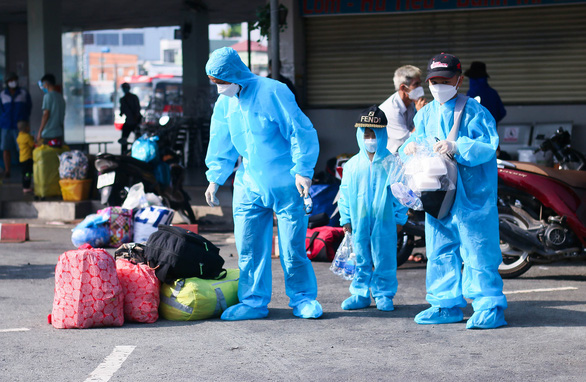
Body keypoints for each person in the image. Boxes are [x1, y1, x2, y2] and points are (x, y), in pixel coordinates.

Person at [204, 47, 322, 321]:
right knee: (249, 247)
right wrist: (214, 178)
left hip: (285, 182)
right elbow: (220, 140)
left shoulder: (273, 92)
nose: (219, 88)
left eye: (221, 82)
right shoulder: (225, 103)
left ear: (235, 74)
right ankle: (253, 301)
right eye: (215, 84)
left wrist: (303, 170)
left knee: (292, 248)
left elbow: (299, 131)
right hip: (248, 183)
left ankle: (303, 298)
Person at [400, 53, 507, 329]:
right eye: (433, 80)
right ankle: (445, 305)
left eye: (444, 80)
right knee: (440, 250)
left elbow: (488, 145)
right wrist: (408, 148)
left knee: (478, 251)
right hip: (439, 197)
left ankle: (489, 306)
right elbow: (412, 145)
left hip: (473, 199)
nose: (438, 85)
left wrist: (459, 147)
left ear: (458, 80)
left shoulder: (474, 111)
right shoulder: (425, 114)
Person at [338, 106, 408, 311]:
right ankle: (360, 294)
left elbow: (401, 195)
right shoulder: (352, 166)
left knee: (385, 258)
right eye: (365, 133)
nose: (369, 138)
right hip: (359, 222)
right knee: (360, 257)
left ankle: (383, 294)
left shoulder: (393, 164)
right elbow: (345, 193)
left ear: (382, 134)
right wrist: (345, 218)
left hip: (385, 222)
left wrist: (399, 219)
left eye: (373, 133)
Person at [379, 65, 427, 153]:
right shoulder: (390, 110)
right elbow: (409, 139)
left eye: (420, 83)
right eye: (416, 84)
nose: (420, 87)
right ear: (403, 88)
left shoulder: (412, 103)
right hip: (393, 157)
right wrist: (421, 114)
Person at [0, 72, 32, 178]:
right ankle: (7, 170)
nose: (12, 82)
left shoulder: (23, 93)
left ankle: (25, 170)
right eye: (10, 80)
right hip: (6, 126)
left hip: (20, 126)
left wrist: (24, 121)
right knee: (6, 148)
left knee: (24, 148)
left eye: (14, 80)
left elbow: (28, 107)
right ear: (7, 82)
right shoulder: (2, 95)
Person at [37, 74, 65, 147]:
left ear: (46, 83)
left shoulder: (47, 96)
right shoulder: (60, 97)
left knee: (49, 156)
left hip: (49, 134)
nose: (43, 86)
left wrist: (40, 132)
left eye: (43, 84)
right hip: (59, 133)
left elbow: (46, 114)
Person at [118, 83, 142, 153]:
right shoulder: (123, 99)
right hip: (130, 122)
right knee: (124, 139)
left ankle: (134, 151)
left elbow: (137, 108)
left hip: (133, 122)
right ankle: (124, 153)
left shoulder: (132, 98)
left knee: (138, 138)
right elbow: (122, 111)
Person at [16, 121, 34, 193]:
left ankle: (25, 186)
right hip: (28, 159)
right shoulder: (27, 136)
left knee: (24, 174)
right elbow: (32, 145)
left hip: (22, 159)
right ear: (26, 128)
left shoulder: (19, 136)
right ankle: (26, 187)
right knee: (28, 173)